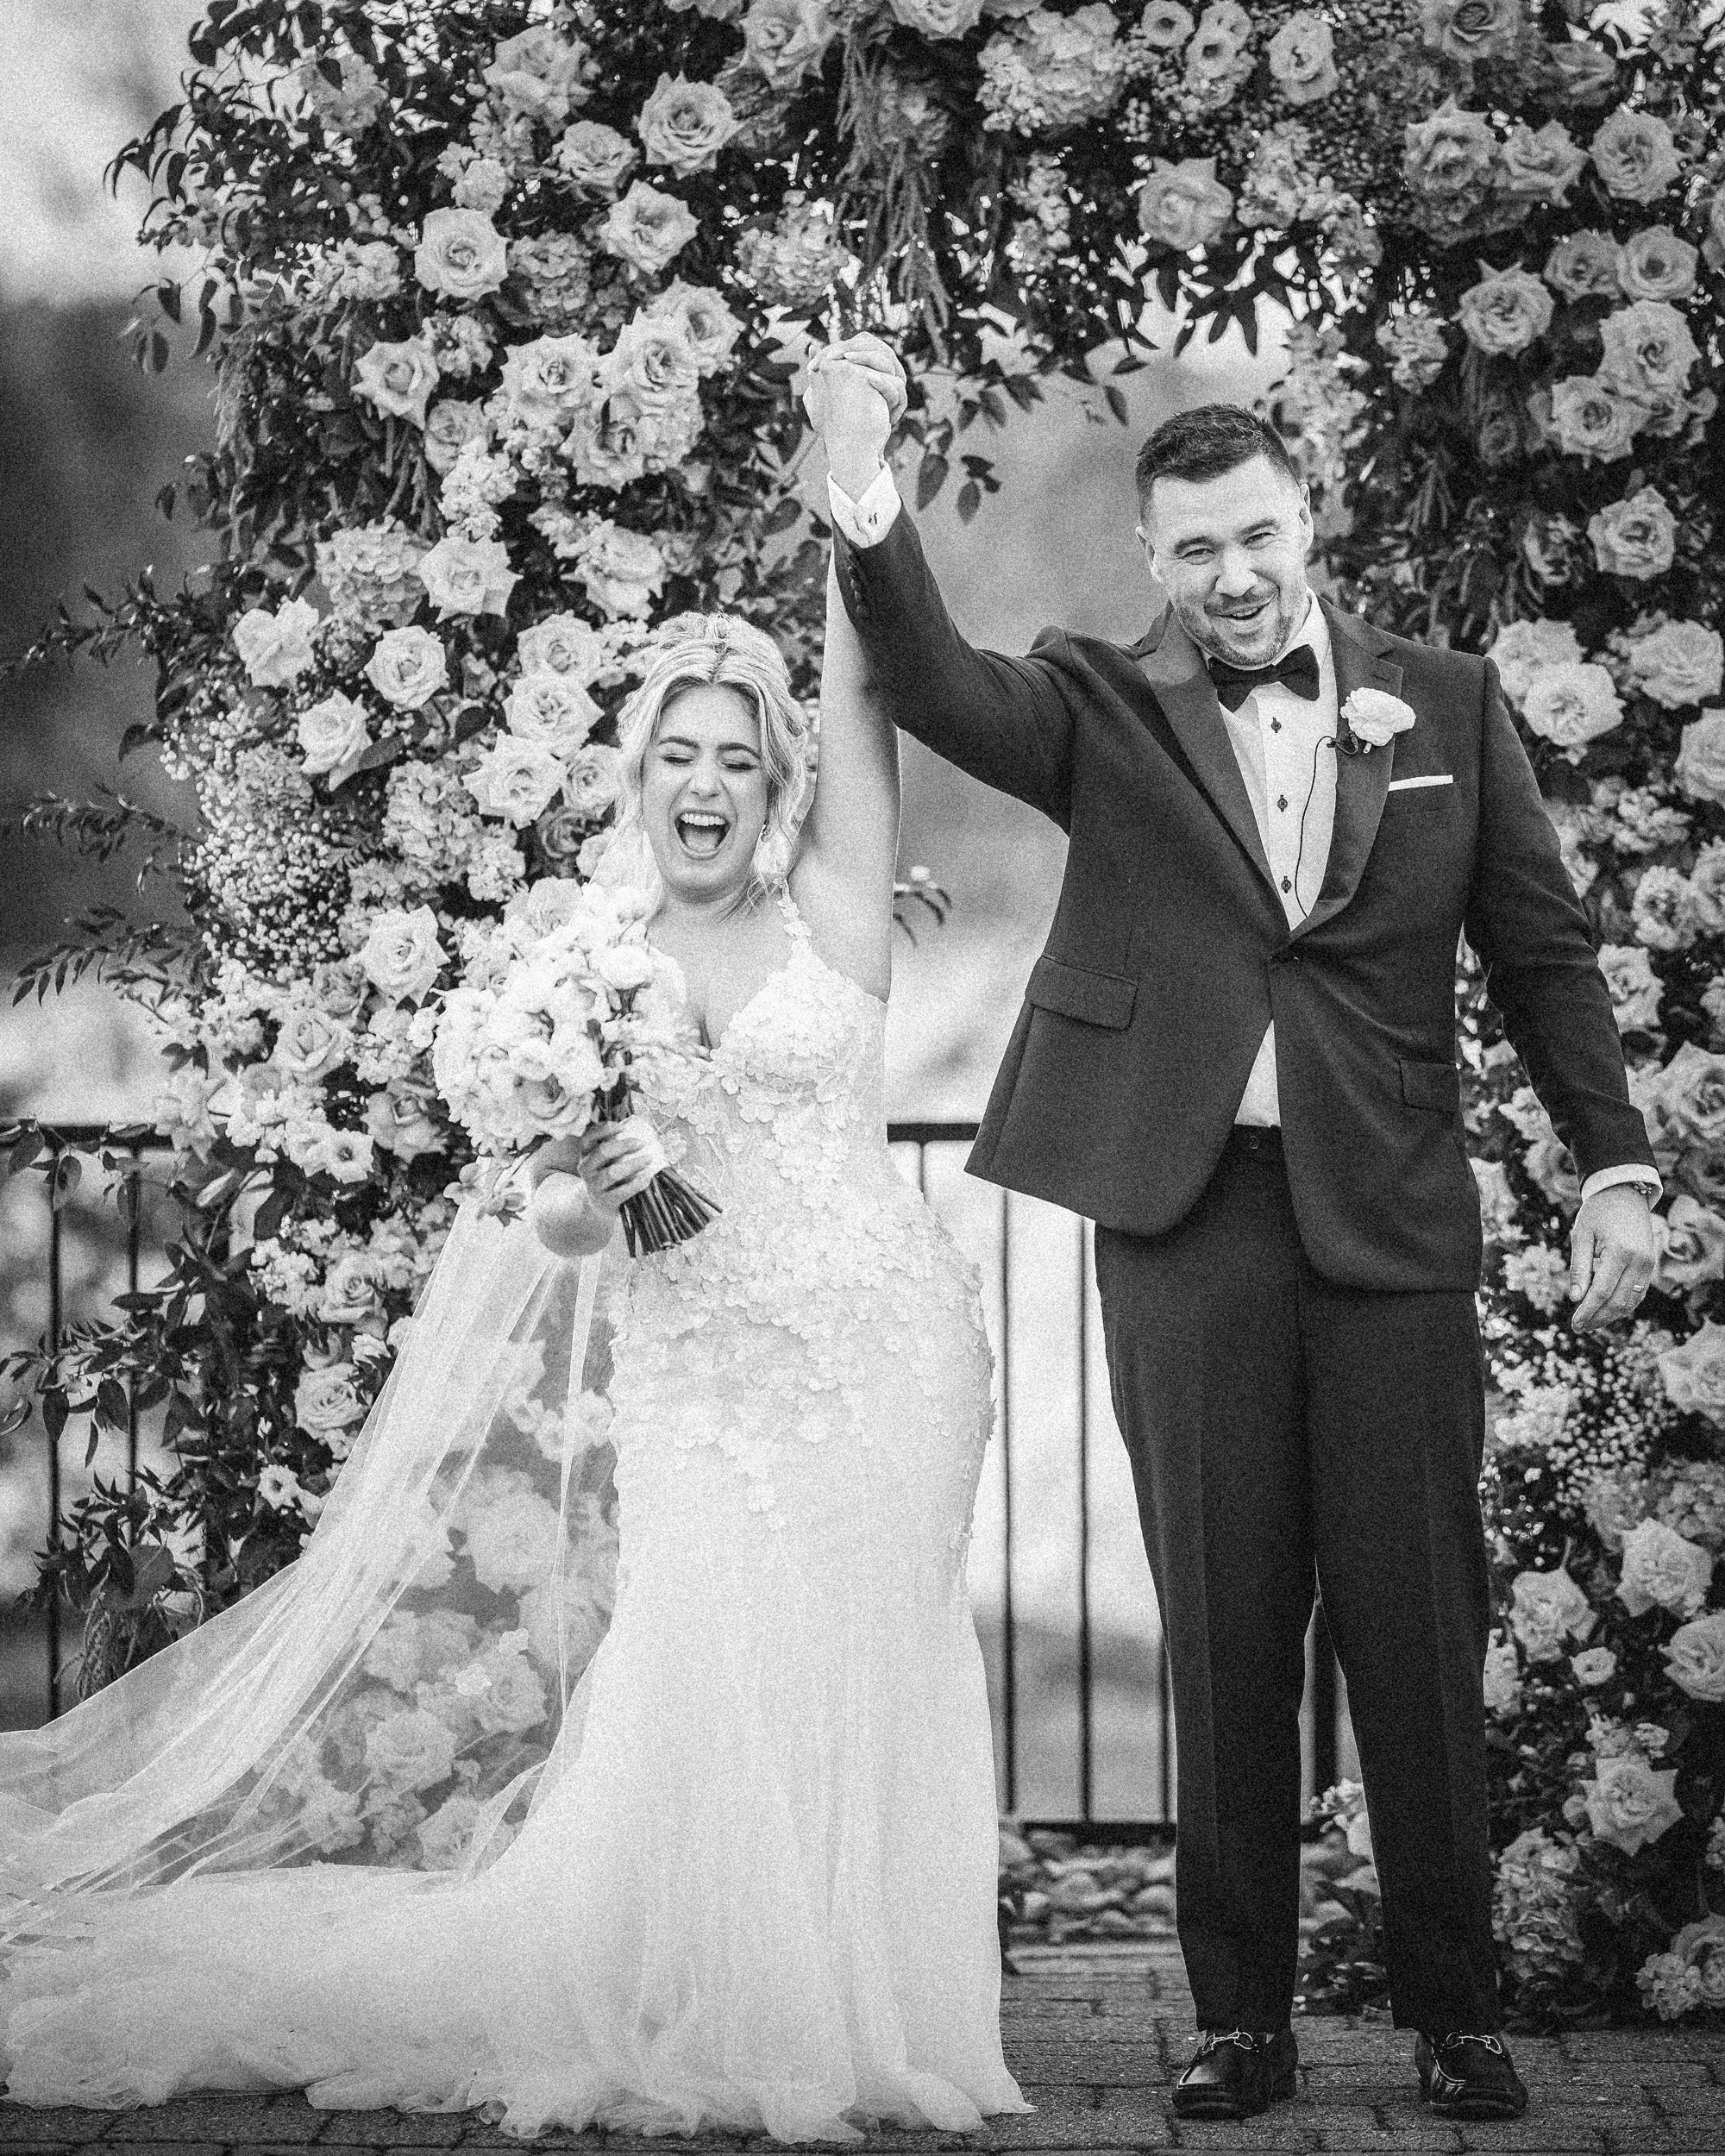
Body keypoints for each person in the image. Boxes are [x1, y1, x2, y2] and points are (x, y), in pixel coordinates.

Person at [0, 577, 1028, 2145]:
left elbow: (866, 690)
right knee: (713, 1667)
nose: (707, 783)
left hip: (889, 1358)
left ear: (778, 785)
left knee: (874, 1663)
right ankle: (729, 1998)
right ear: (637, 778)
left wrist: (853, 486)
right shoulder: (585, 966)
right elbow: (547, 1213)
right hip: (704, 1375)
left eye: (741, 759)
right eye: (680, 754)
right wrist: (589, 1192)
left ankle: (873, 2003)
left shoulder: (835, 912)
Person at [806, 341, 1661, 2124]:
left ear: (1307, 519)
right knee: (1223, 1613)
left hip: (1392, 1219)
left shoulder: (1447, 700)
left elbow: (1542, 952)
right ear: (1153, 558)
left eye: (1257, 533)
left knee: (1418, 1624)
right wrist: (860, 481)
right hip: (1184, 1216)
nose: (1235, 573)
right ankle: (1241, 2019)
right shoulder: (1096, 704)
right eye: (1195, 550)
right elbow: (939, 684)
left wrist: (1611, 1164)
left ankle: (1451, 2008)